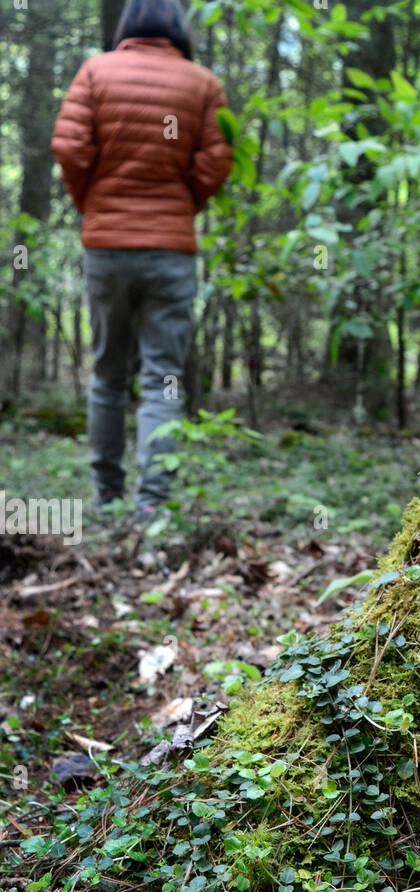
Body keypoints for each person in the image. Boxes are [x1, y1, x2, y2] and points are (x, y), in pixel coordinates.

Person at [51, 0, 233, 520]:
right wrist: (183, 203)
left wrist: (94, 204)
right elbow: (218, 157)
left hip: (107, 247)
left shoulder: (96, 71)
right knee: (162, 379)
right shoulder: (201, 83)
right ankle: (152, 505)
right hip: (171, 252)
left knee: (108, 374)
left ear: (129, 23)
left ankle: (106, 496)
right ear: (176, 26)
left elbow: (69, 148)